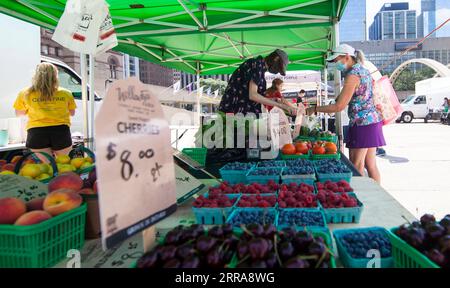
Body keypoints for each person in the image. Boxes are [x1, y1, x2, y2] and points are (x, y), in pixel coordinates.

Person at [306, 44, 385, 183]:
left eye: (336, 60)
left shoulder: (353, 75)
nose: (335, 64)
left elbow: (339, 106)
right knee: (370, 165)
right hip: (372, 121)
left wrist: (315, 109)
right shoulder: (363, 70)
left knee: (356, 166)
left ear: (347, 57)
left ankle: (360, 197)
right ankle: (376, 198)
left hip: (362, 124)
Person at [14, 62, 76, 159]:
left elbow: (19, 114)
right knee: (65, 165)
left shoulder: (25, 93)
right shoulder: (66, 93)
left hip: (36, 132)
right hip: (61, 131)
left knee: (46, 167)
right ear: (55, 76)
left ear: (36, 76)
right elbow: (72, 113)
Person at [218, 49, 297, 116]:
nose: (277, 71)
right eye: (279, 68)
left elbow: (254, 96)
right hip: (234, 114)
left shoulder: (259, 69)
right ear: (275, 59)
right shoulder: (256, 65)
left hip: (240, 115)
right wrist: (280, 105)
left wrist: (274, 100)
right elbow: (253, 95)